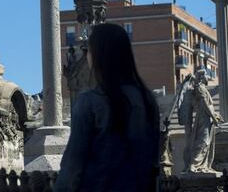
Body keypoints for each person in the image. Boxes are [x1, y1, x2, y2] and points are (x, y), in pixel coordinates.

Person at [54, 23, 160, 192]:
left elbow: (72, 168)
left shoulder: (89, 102)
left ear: (98, 55)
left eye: (89, 50)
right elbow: (153, 164)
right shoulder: (148, 101)